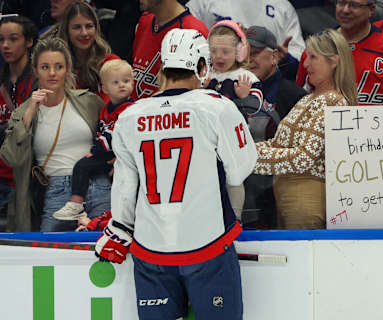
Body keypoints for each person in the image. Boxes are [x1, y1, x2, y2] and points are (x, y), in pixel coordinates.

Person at [95, 28, 256, 320]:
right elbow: (239, 172)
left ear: (163, 67)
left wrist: (118, 230)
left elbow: (124, 185)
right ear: (201, 66)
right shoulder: (216, 107)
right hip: (207, 246)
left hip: (151, 250)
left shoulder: (131, 116)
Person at [0, 37, 109, 232]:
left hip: (96, 184)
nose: (52, 73)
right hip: (55, 188)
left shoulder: (89, 101)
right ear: (35, 70)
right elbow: (12, 158)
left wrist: (115, 160)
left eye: (58, 66)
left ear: (67, 69)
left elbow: (114, 129)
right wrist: (29, 113)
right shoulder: (24, 113)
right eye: (45, 67)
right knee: (49, 252)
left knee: (106, 249)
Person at [255, 29, 357, 229]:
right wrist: (245, 151)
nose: (305, 64)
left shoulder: (333, 101)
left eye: (313, 58)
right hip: (287, 194)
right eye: (305, 57)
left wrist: (249, 158)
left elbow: (305, 158)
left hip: (305, 197)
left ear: (334, 61)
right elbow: (279, 143)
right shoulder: (308, 98)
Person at [53, 59, 134, 221]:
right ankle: (83, 209)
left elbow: (114, 134)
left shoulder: (130, 108)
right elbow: (101, 131)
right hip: (110, 155)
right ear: (104, 88)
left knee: (82, 166)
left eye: (126, 81)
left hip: (122, 155)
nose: (122, 85)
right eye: (116, 82)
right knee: (85, 168)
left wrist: (94, 151)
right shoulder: (105, 109)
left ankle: (76, 204)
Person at [244, 25, 306, 227]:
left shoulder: (294, 95)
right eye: (244, 53)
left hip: (279, 196)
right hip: (243, 193)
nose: (249, 60)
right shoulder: (232, 91)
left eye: (254, 53)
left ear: (275, 56)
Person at [206, 20, 263, 221]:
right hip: (207, 141)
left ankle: (236, 219)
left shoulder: (245, 76)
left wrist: (244, 96)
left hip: (234, 140)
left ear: (240, 51)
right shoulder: (205, 76)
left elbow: (256, 107)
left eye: (225, 51)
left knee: (234, 179)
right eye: (214, 51)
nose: (219, 56)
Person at [297, 0, 383, 105]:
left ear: (371, 10)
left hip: (379, 120)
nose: (345, 10)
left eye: (354, 5)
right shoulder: (316, 48)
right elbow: (301, 99)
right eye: (341, 3)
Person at [186, 0, 305, 80]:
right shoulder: (202, 2)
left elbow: (300, 59)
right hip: (215, 80)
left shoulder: (282, 6)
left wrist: (285, 59)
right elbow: (185, 42)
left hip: (268, 87)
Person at [132, 0, 208, 100]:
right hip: (133, 110)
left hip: (166, 113)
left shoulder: (193, 31)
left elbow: (194, 94)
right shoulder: (145, 19)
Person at [0, 16, 38, 215]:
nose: (6, 45)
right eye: (1, 40)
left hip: (26, 180)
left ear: (29, 41)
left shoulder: (39, 81)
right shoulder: (1, 80)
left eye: (13, 39)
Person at [57, 1, 114, 101]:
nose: (84, 33)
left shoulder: (110, 63)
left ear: (96, 28)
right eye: (77, 27)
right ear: (67, 31)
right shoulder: (57, 65)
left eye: (89, 26)